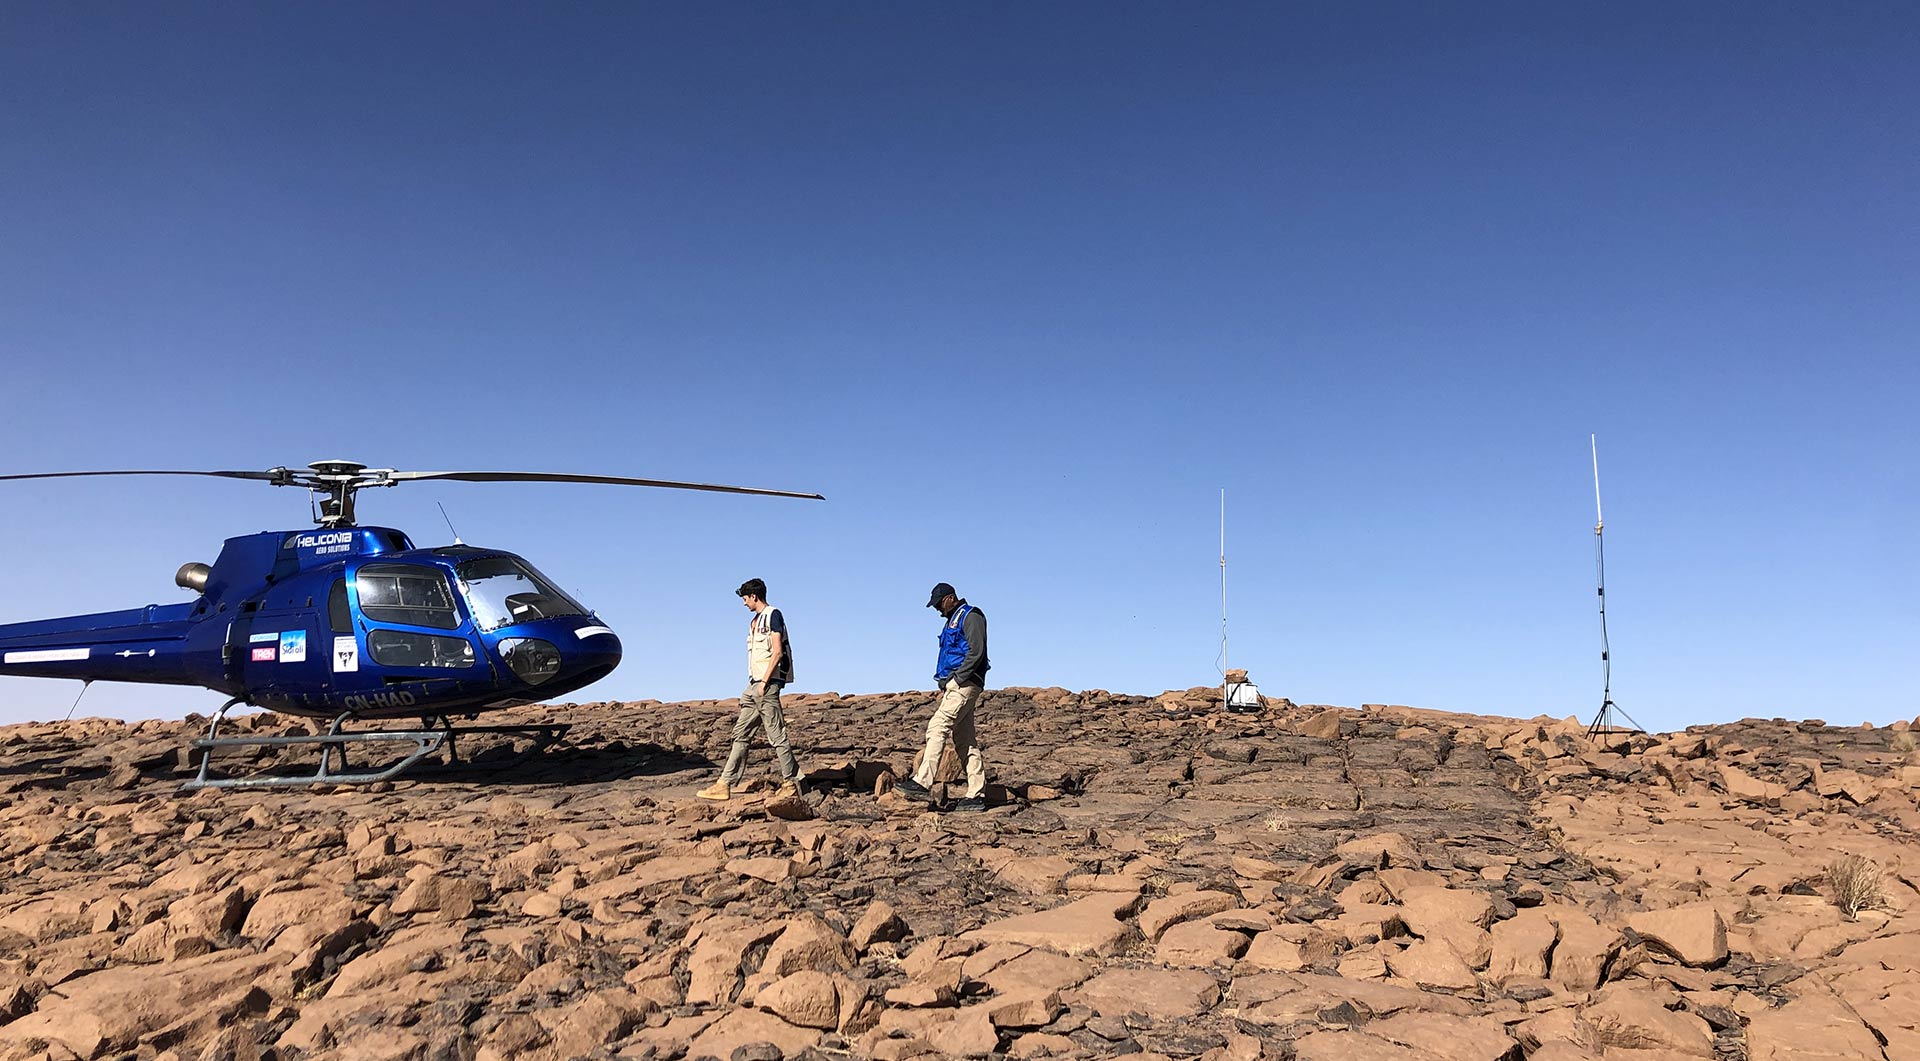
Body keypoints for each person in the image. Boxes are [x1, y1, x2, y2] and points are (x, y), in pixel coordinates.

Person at [697, 579, 800, 801]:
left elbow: (778, 651)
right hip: (754, 686)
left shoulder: (773, 615)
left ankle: (791, 783)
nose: (743, 603)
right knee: (740, 734)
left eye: (745, 598)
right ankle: (724, 784)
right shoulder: (755, 621)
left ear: (754, 596)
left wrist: (764, 683)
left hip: (766, 685)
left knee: (776, 735)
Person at [897, 582, 989, 812]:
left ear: (950, 598)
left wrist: (956, 679)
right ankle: (976, 794)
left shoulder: (971, 616)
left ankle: (923, 781)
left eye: (939, 604)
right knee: (964, 739)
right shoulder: (953, 619)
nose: (938, 609)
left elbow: (976, 652)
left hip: (964, 684)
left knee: (938, 726)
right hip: (959, 684)